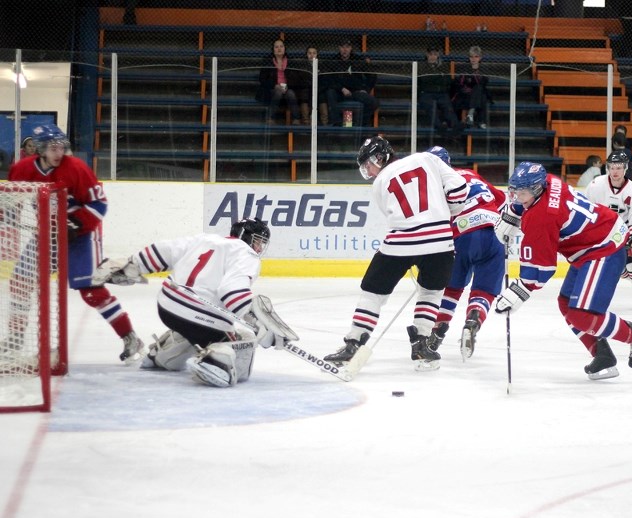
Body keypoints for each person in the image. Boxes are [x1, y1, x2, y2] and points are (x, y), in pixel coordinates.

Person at [493, 162, 632, 380]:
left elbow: (541, 270)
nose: (516, 197)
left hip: (602, 248)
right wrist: (514, 212)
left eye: (521, 193)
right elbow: (526, 206)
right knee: (566, 303)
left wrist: (519, 291)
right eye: (514, 191)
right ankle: (602, 355)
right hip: (595, 239)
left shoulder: (541, 217)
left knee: (582, 315)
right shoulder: (549, 181)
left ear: (535, 189)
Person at [91, 218, 295, 387]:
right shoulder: (247, 254)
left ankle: (161, 355)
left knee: (191, 331)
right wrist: (258, 323)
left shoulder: (204, 239)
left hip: (167, 305)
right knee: (243, 339)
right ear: (247, 237)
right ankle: (216, 362)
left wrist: (132, 265)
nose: (259, 247)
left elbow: (165, 250)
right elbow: (231, 290)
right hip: (203, 317)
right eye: (258, 241)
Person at [3, 124, 144, 364]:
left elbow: (99, 204)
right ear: (39, 150)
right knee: (21, 283)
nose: (58, 153)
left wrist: (76, 224)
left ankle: (130, 337)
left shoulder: (77, 168)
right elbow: (12, 201)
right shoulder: (23, 169)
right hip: (45, 235)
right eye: (52, 148)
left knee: (90, 291)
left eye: (61, 147)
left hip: (82, 236)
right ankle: (14, 340)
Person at [324, 136, 468, 371]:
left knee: (373, 292)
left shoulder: (380, 181)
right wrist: (446, 213)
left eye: (368, 165)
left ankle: (354, 344)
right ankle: (421, 343)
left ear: (379, 157)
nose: (368, 172)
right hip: (440, 242)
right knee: (431, 293)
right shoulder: (428, 158)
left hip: (400, 241)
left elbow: (391, 213)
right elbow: (460, 187)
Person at [424, 146, 505, 360]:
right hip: (493, 234)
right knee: (484, 290)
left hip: (462, 236)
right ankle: (473, 320)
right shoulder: (470, 173)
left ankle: (437, 333)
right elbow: (503, 200)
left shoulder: (433, 186)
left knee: (452, 288)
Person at [585, 151, 632, 309]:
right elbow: (587, 210)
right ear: (607, 168)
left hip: (624, 232)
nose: (615, 171)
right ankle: (626, 275)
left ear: (625, 168)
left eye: (619, 167)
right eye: (612, 167)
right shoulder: (596, 185)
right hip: (601, 233)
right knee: (615, 268)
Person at [322, 38, 378, 127]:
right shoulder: (333, 61)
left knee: (373, 102)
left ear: (351, 48)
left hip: (356, 92)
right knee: (330, 92)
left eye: (347, 47)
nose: (345, 50)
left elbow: (372, 75)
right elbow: (328, 79)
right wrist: (341, 88)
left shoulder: (358, 60)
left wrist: (366, 90)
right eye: (342, 47)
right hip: (339, 92)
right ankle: (335, 123)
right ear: (339, 48)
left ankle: (361, 124)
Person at [256, 38, 302, 125]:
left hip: (288, 87)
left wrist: (288, 86)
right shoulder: (267, 61)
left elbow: (297, 78)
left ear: (285, 48)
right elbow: (262, 79)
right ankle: (270, 118)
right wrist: (275, 85)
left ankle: (296, 119)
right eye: (276, 47)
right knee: (278, 92)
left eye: (281, 46)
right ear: (273, 49)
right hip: (272, 88)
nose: (279, 49)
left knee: (291, 94)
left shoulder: (291, 61)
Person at [418, 44, 460, 132]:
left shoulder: (443, 66)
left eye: (435, 54)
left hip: (441, 93)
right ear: (427, 55)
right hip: (426, 93)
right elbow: (424, 80)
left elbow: (448, 80)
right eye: (431, 54)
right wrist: (439, 78)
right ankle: (439, 126)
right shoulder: (421, 66)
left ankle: (456, 126)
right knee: (431, 108)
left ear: (438, 55)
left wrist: (435, 79)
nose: (433, 57)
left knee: (448, 108)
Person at [451, 45, 492, 129]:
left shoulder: (484, 68)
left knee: (480, 91)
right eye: (471, 56)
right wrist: (465, 87)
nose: (473, 59)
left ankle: (471, 113)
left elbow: (484, 82)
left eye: (476, 57)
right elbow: (459, 82)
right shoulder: (464, 68)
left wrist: (475, 72)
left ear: (480, 58)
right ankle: (480, 121)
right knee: (480, 95)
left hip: (478, 93)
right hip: (465, 94)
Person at [295, 45, 319, 125]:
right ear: (306, 54)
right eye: (309, 53)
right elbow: (300, 80)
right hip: (305, 89)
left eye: (314, 53)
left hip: (318, 89)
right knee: (304, 94)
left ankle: (322, 122)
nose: (312, 55)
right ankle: (306, 121)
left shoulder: (321, 65)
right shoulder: (302, 66)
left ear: (317, 54)